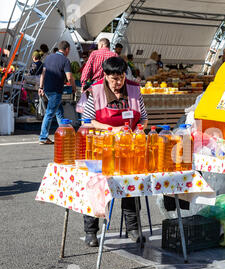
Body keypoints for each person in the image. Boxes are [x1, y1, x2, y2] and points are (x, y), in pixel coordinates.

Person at [81, 56, 148, 246]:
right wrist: (112, 129)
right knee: (96, 185)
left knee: (131, 185)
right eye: (113, 79)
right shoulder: (95, 91)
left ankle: (133, 228)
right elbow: (88, 120)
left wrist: (138, 130)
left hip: (128, 148)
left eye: (120, 78)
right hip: (100, 148)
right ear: (105, 75)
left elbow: (143, 117)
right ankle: (91, 230)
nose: (117, 83)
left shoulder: (134, 90)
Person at [38, 41, 76, 145]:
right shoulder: (65, 60)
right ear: (67, 49)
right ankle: (43, 137)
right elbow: (69, 77)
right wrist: (74, 87)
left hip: (47, 89)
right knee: (49, 113)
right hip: (56, 90)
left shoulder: (48, 57)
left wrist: (40, 87)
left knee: (59, 112)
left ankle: (64, 133)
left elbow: (43, 74)